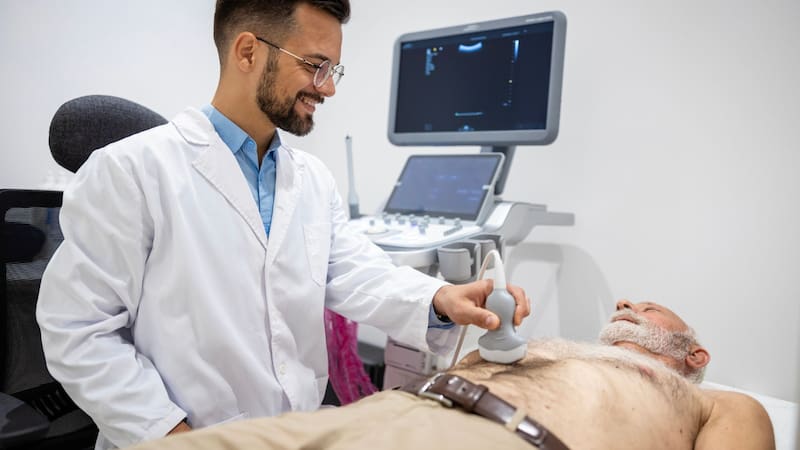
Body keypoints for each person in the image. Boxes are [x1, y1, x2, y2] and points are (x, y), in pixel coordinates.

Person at [35, 1, 530, 449]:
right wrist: (170, 435)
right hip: (177, 437)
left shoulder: (310, 179)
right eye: (315, 66)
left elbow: (352, 269)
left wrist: (441, 300)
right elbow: (79, 331)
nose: (329, 87)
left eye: (334, 69)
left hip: (293, 433)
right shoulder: (130, 170)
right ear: (248, 51)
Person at [124, 300, 776, 450]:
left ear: (695, 354)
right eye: (622, 304)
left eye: (647, 305)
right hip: (385, 416)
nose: (627, 307)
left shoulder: (723, 403)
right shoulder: (558, 346)